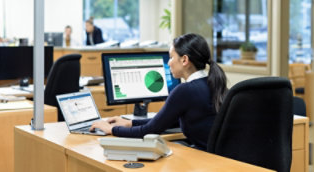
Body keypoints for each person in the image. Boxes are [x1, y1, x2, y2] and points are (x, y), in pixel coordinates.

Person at [90, 33, 228, 150]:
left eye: (171, 57)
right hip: (223, 159)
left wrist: (111, 129)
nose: (168, 63)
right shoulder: (212, 83)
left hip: (207, 160)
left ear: (184, 60)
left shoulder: (185, 91)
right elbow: (169, 121)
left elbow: (149, 131)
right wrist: (129, 123)